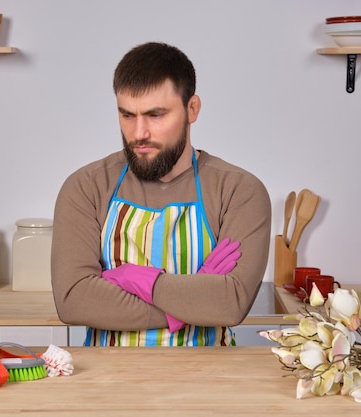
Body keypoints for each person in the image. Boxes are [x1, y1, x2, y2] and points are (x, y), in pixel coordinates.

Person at [51, 42, 271, 347]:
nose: (139, 132)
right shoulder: (86, 187)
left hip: (212, 385)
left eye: (156, 115)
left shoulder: (239, 191)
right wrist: (188, 306)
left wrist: (142, 281)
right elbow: (73, 300)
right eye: (127, 115)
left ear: (191, 109)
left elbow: (231, 304)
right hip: (104, 385)